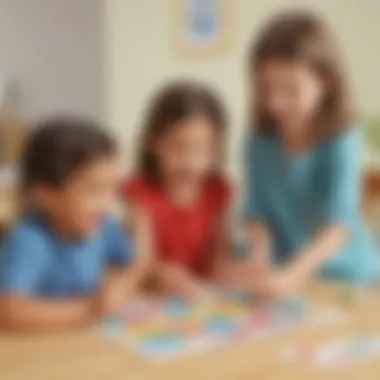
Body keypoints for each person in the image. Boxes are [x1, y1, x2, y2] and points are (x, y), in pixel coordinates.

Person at [243, 11, 380, 298]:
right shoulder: (259, 142)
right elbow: (257, 213)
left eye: (291, 90)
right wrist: (259, 254)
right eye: (267, 89)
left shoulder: (341, 139)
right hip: (288, 275)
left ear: (326, 82)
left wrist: (294, 274)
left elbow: (339, 226)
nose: (276, 103)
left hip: (350, 278)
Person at [0, 117, 146, 331]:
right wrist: (90, 308)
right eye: (94, 191)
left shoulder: (102, 226)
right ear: (45, 194)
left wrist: (121, 285)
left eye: (112, 189)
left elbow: (135, 264)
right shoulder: (29, 240)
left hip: (81, 341)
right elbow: (7, 311)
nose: (107, 204)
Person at [123, 81, 232, 298]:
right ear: (153, 142)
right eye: (179, 147)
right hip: (155, 297)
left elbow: (220, 258)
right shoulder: (140, 192)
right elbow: (140, 264)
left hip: (204, 296)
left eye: (204, 150)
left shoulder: (218, 190)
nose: (191, 163)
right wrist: (160, 273)